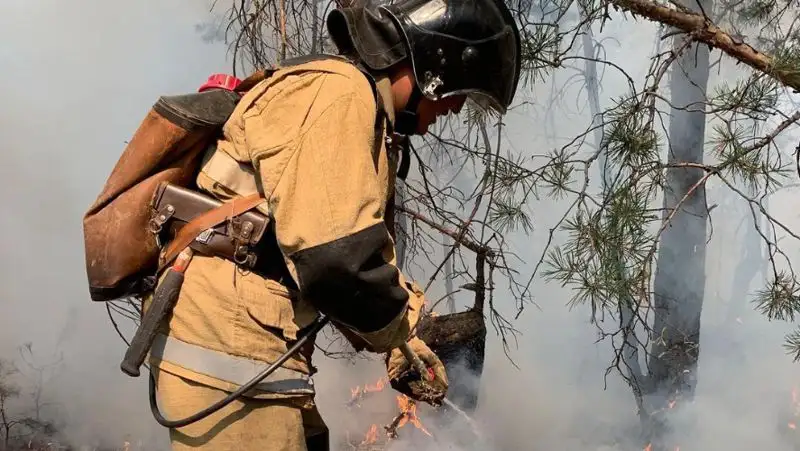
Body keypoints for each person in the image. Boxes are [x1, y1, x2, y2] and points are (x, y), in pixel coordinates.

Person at [146, 0, 521, 448]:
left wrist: (407, 337)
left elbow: (334, 242)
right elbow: (335, 263)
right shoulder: (341, 95)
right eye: (458, 92)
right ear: (431, 66)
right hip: (227, 352)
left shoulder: (352, 100)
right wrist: (399, 337)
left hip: (244, 347)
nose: (455, 109)